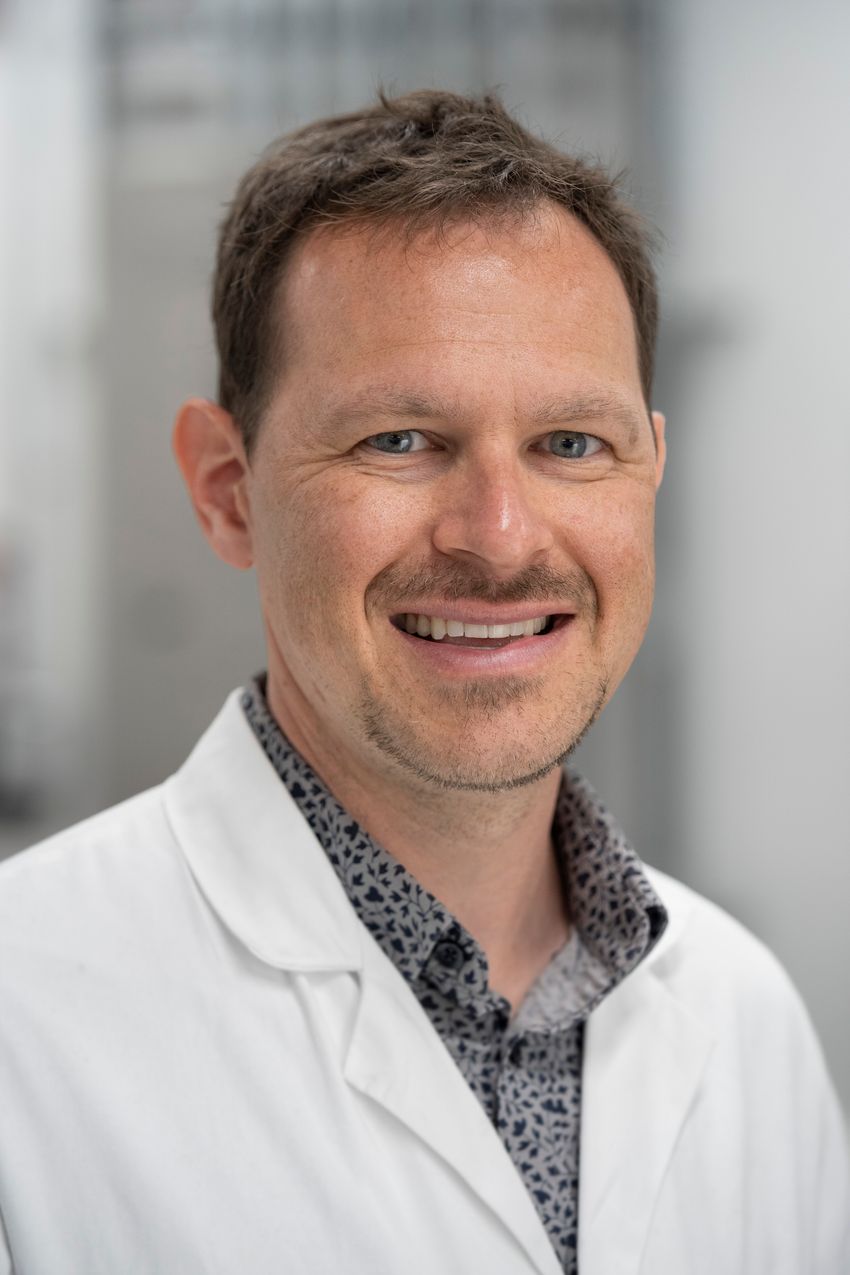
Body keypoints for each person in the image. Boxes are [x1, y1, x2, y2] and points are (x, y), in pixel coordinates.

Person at [0, 90, 847, 1275]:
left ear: (650, 470)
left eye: (570, 444)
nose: (499, 539)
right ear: (227, 488)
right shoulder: (22, 1018)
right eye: (399, 440)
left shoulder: (746, 1017)